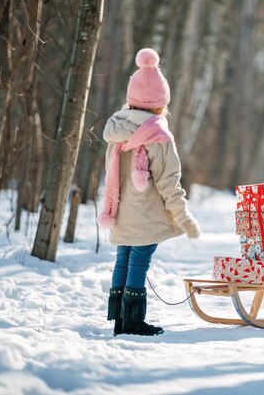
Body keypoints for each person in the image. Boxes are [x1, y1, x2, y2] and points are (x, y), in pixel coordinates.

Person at [98, 48, 201, 336]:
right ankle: (132, 321)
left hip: (119, 210)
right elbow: (169, 181)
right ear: (161, 102)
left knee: (123, 259)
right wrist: (184, 218)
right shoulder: (159, 136)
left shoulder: (117, 129)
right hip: (146, 214)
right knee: (139, 261)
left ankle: (119, 318)